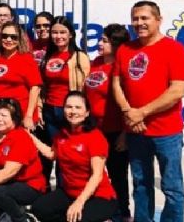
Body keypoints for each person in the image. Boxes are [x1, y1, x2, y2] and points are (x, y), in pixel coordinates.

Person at [111, 1, 184, 222]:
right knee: (141, 185)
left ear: (158, 20)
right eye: (135, 18)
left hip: (167, 133)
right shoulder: (126, 50)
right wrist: (129, 113)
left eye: (145, 18)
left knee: (172, 188)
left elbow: (177, 90)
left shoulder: (174, 49)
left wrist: (141, 113)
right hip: (137, 132)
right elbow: (117, 84)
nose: (139, 23)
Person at [30, 91, 119, 222]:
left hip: (98, 196)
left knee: (75, 218)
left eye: (78, 107)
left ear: (87, 112)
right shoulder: (62, 134)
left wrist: (79, 202)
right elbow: (52, 154)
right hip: (70, 193)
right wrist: (30, 137)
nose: (73, 111)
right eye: (69, 107)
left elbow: (97, 175)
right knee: (39, 208)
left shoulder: (95, 137)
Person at [86, 23, 131, 221]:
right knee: (94, 173)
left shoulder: (121, 68)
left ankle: (122, 213)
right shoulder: (95, 62)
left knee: (117, 175)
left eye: (104, 41)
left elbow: (129, 102)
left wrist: (124, 132)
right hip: (94, 129)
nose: (99, 44)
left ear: (116, 44)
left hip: (114, 130)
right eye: (101, 39)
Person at [40, 16, 90, 185]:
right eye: (54, 32)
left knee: (66, 154)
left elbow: (85, 86)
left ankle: (66, 190)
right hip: (49, 110)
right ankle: (44, 190)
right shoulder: (48, 56)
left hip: (69, 112)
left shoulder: (78, 57)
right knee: (49, 153)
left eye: (62, 32)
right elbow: (43, 85)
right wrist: (40, 107)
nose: (58, 36)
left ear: (70, 35)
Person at [0, 22, 42, 132]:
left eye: (13, 37)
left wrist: (29, 115)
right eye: (5, 36)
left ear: (19, 39)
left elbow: (35, 88)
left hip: (18, 115)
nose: (8, 40)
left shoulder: (26, 59)